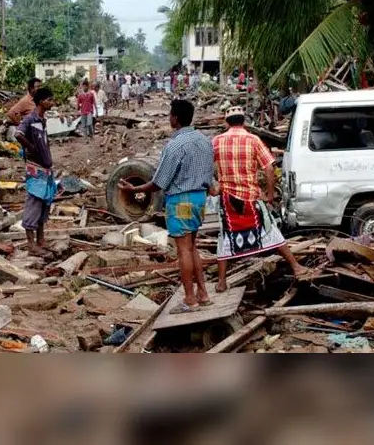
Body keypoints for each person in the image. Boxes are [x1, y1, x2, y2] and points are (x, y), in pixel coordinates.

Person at [119, 100, 214, 313]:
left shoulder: (175, 146)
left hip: (181, 201)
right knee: (192, 247)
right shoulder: (205, 140)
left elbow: (158, 183)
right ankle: (203, 294)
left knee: (183, 251)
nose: (169, 118)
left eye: (170, 115)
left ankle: (189, 299)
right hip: (200, 199)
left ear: (176, 118)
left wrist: (133, 190)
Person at [211, 107, 310, 291]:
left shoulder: (217, 141)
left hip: (227, 199)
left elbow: (206, 167)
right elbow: (270, 168)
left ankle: (222, 282)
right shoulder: (253, 140)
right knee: (270, 231)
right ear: (243, 121)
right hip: (251, 197)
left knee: (226, 237)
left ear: (227, 123)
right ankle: (296, 267)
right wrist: (270, 194)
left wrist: (214, 188)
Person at [15, 88, 56, 254]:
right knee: (33, 204)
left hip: (45, 168)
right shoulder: (30, 119)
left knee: (43, 205)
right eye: (49, 99)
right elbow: (18, 134)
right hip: (35, 168)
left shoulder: (41, 120)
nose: (52, 102)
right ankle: (31, 245)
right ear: (41, 102)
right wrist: (32, 148)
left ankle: (41, 240)